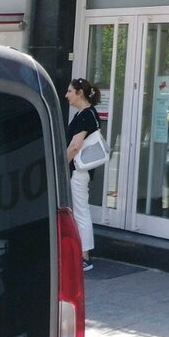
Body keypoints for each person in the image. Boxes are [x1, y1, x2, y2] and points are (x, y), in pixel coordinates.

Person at [65, 77, 101, 271]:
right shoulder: (84, 114)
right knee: (79, 211)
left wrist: (61, 164)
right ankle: (80, 254)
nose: (67, 95)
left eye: (70, 91)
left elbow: (75, 145)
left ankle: (84, 257)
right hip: (79, 170)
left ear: (79, 93)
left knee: (80, 212)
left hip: (78, 171)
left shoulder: (86, 115)